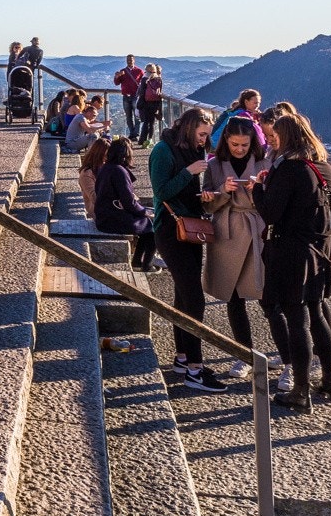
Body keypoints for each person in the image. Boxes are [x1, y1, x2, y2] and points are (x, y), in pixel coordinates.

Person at [254, 112, 331, 412]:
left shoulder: (290, 169)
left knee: (297, 321)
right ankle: (330, 381)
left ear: (286, 138)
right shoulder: (322, 167)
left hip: (292, 253)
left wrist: (257, 188)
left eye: (274, 137)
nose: (271, 142)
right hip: (320, 250)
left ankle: (301, 391)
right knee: (316, 315)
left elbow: (270, 213)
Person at [201, 116, 285, 384]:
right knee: (233, 297)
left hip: (257, 230)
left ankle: (287, 357)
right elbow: (206, 204)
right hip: (227, 234)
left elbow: (276, 201)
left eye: (244, 144)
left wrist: (258, 189)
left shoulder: (266, 162)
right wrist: (221, 192)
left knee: (267, 297)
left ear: (254, 141)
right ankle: (243, 354)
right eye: (235, 144)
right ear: (226, 140)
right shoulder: (214, 165)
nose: (239, 149)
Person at [150, 107, 224, 391]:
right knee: (194, 298)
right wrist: (188, 172)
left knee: (184, 296)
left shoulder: (195, 150)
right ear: (189, 129)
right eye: (202, 135)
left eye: (207, 137)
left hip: (191, 226)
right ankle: (195, 368)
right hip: (170, 230)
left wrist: (205, 195)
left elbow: (188, 192)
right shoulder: (162, 150)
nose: (205, 141)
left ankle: (182, 357)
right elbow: (161, 191)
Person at [94, 138, 155, 272]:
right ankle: (146, 265)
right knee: (154, 225)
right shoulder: (119, 171)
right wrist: (144, 212)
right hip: (113, 219)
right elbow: (129, 202)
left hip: (104, 216)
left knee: (146, 224)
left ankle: (138, 261)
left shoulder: (106, 168)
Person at [113, 55, 145, 143]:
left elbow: (143, 82)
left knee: (137, 116)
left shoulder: (139, 71)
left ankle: (136, 134)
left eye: (131, 60)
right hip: (126, 97)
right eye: (128, 60)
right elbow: (116, 83)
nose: (129, 61)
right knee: (128, 116)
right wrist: (117, 76)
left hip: (135, 96)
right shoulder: (123, 71)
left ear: (134, 60)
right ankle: (132, 133)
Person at [77, 138, 110, 219]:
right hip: (98, 211)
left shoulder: (106, 168)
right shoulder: (87, 173)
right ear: (99, 155)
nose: (107, 158)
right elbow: (94, 198)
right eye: (106, 156)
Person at [136, 63, 165, 147]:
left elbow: (142, 92)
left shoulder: (145, 78)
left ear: (146, 70)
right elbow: (160, 92)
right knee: (152, 122)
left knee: (145, 122)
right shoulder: (159, 79)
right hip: (155, 103)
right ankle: (150, 140)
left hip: (146, 103)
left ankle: (142, 140)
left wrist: (140, 103)